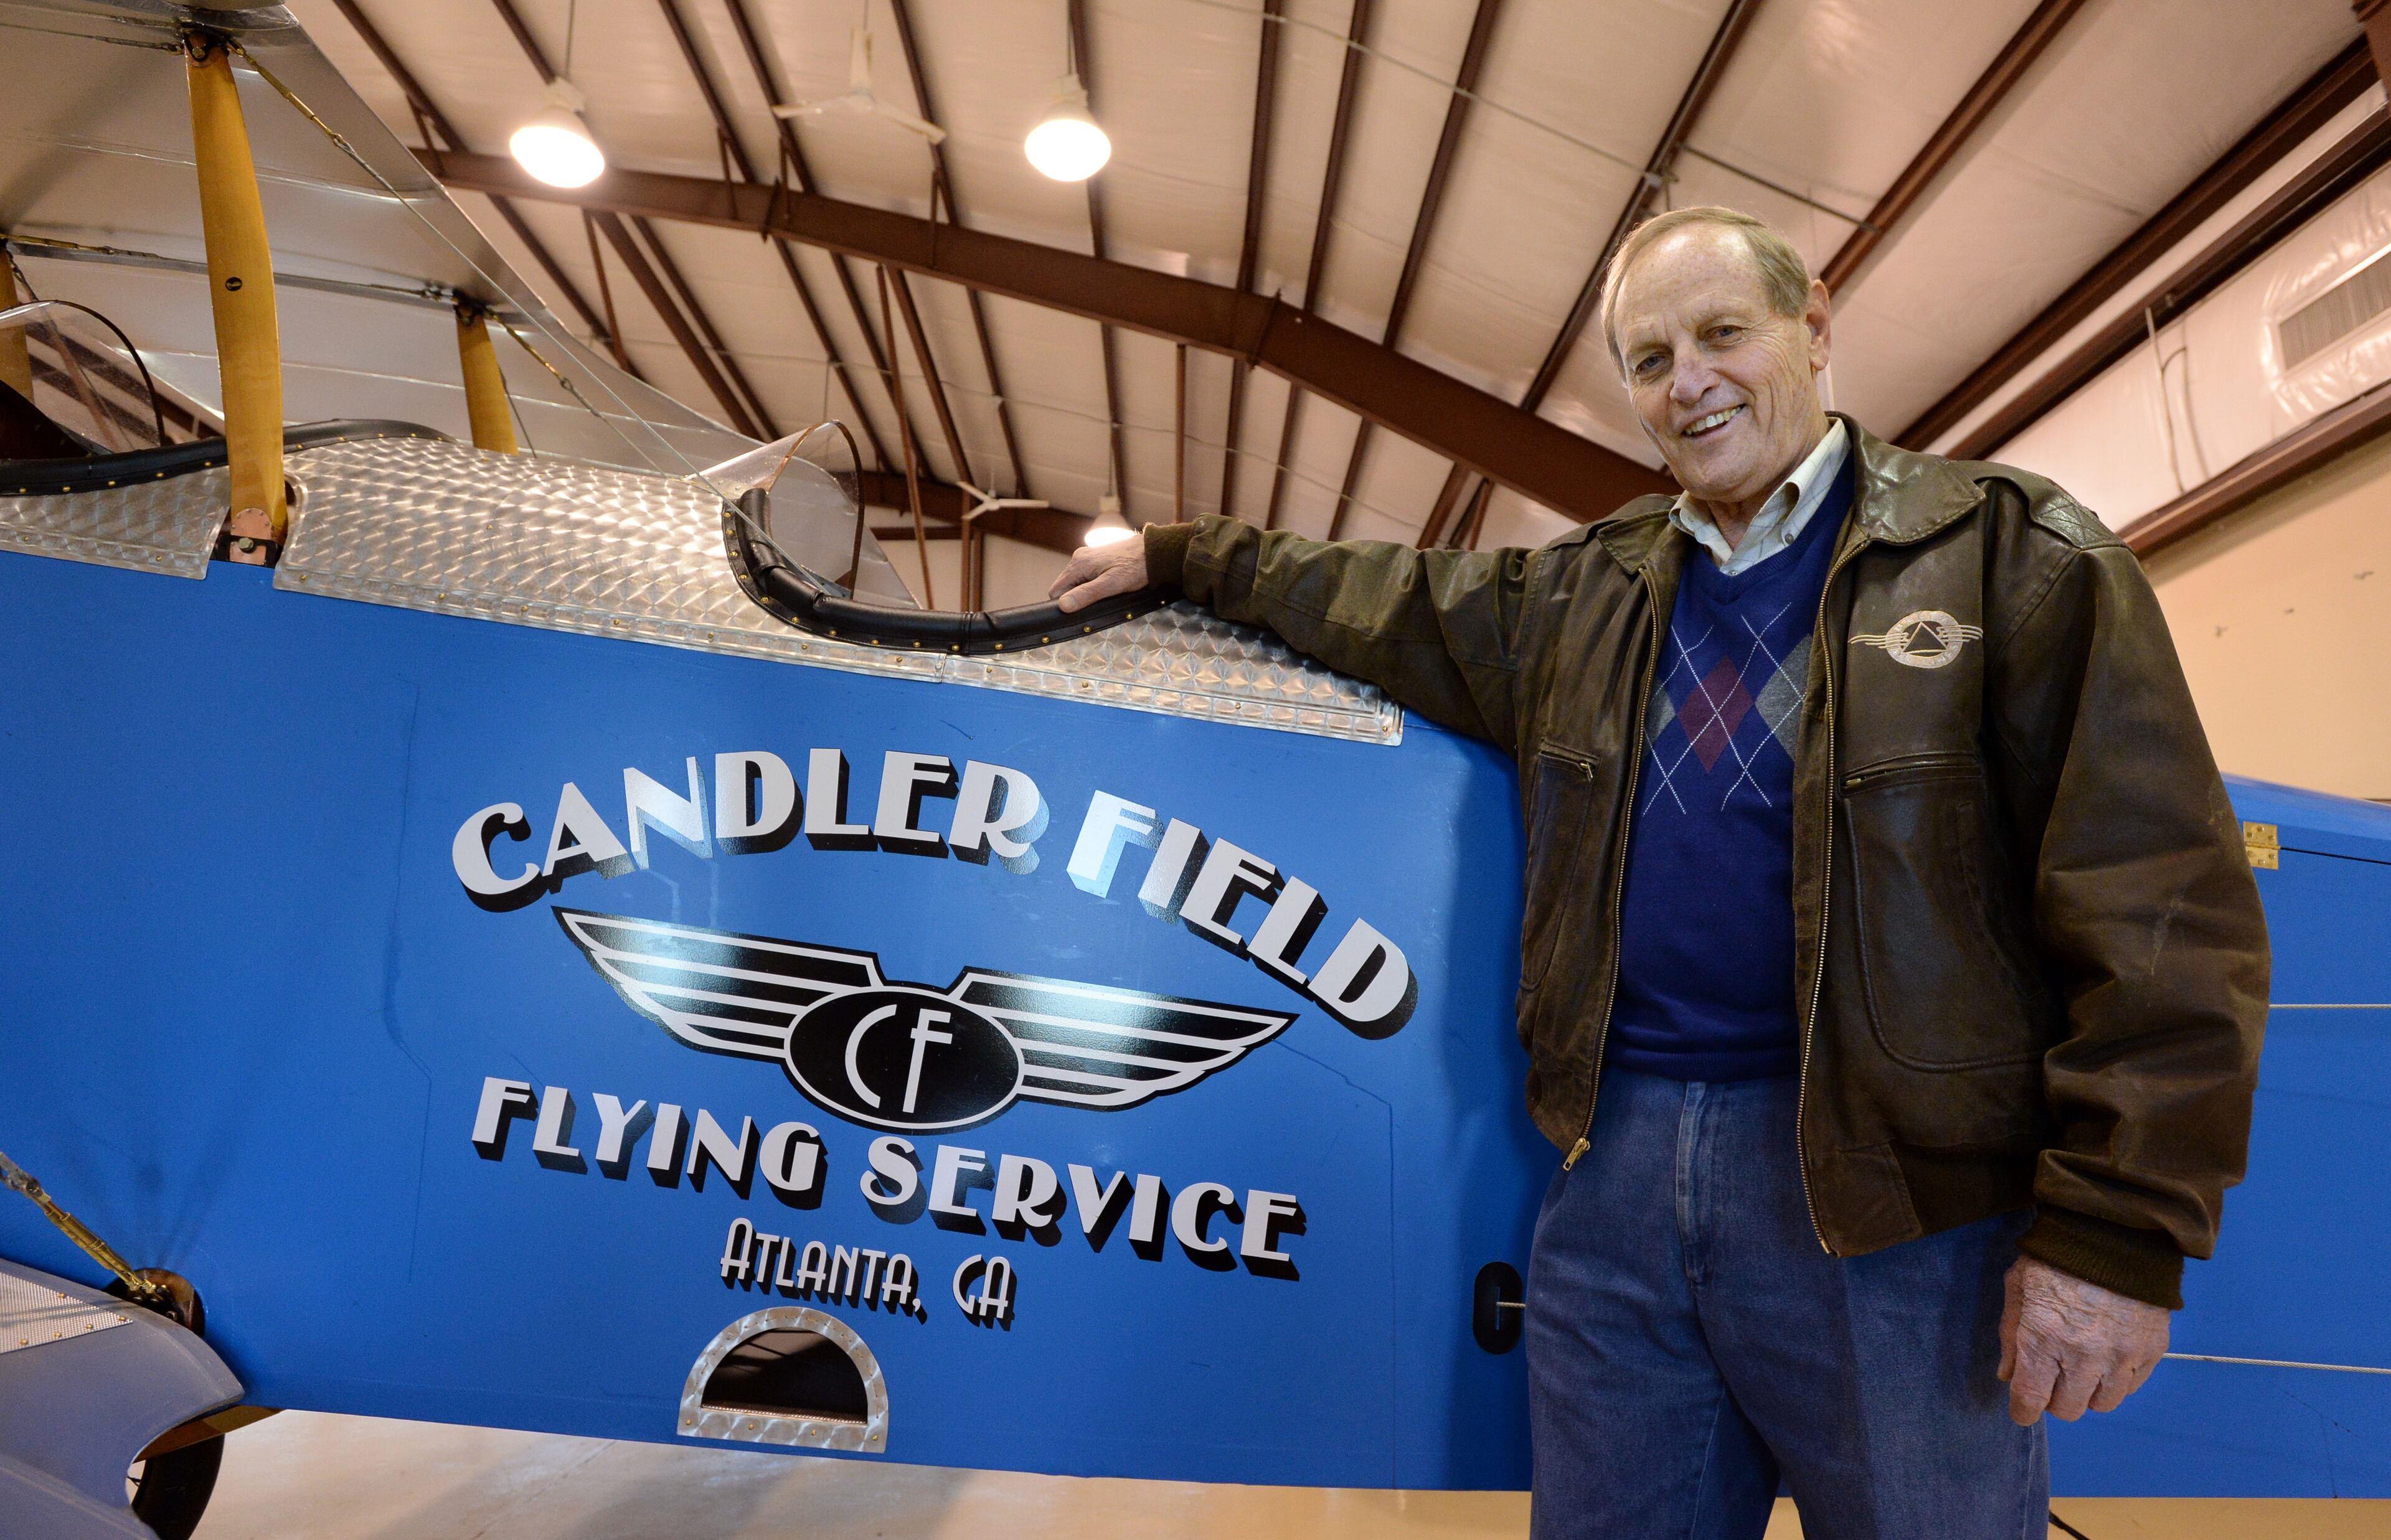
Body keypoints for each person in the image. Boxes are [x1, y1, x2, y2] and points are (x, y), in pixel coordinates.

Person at [1049, 206, 2269, 1538]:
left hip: (1900, 1206)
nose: (1688, 381)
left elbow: (2161, 903)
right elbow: (1377, 595)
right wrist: (1182, 556)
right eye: (1649, 358)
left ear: (1813, 327)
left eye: (1721, 333)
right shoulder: (1580, 597)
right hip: (1616, 1180)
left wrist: (2117, 1232)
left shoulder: (2013, 559)